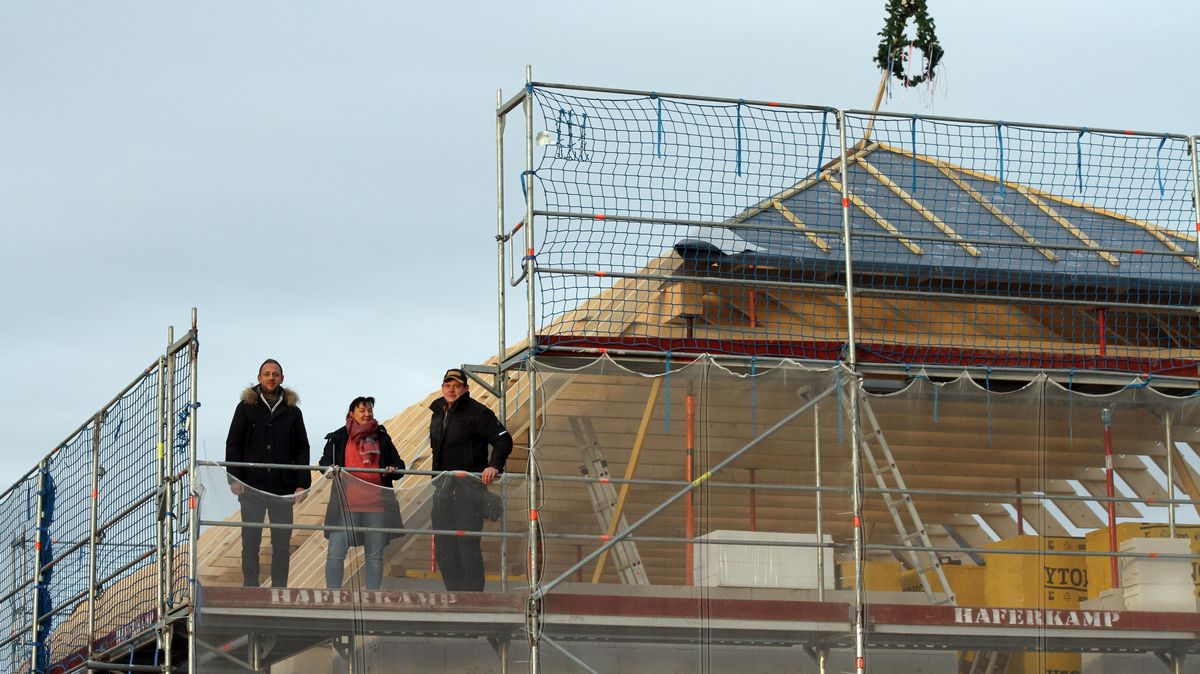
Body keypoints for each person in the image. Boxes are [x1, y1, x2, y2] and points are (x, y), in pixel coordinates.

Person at [225, 358, 312, 587]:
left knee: (281, 542)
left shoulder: (293, 412)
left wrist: (302, 483)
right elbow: (234, 443)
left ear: (282, 378)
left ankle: (279, 588)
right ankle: (250, 587)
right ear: (259, 378)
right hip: (251, 485)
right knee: (251, 540)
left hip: (283, 487)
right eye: (267, 374)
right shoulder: (245, 408)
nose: (271, 378)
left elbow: (302, 448)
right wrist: (234, 478)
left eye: (275, 374)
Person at [429, 368, 512, 591]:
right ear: (442, 388)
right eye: (448, 386)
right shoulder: (437, 412)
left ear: (466, 388)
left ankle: (473, 595)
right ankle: (455, 593)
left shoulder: (478, 413)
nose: (452, 390)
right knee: (444, 546)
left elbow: (503, 440)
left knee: (467, 544)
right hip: (443, 490)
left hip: (469, 490)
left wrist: (494, 465)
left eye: (457, 386)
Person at [320, 396, 405, 590]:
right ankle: (332, 594)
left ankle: (371, 595)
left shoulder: (382, 437)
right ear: (351, 414)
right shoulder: (338, 437)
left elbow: (399, 465)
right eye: (362, 410)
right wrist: (330, 468)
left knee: (374, 556)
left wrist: (393, 469)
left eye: (370, 410)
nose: (367, 414)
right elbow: (324, 461)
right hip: (345, 506)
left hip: (377, 507)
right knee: (335, 553)